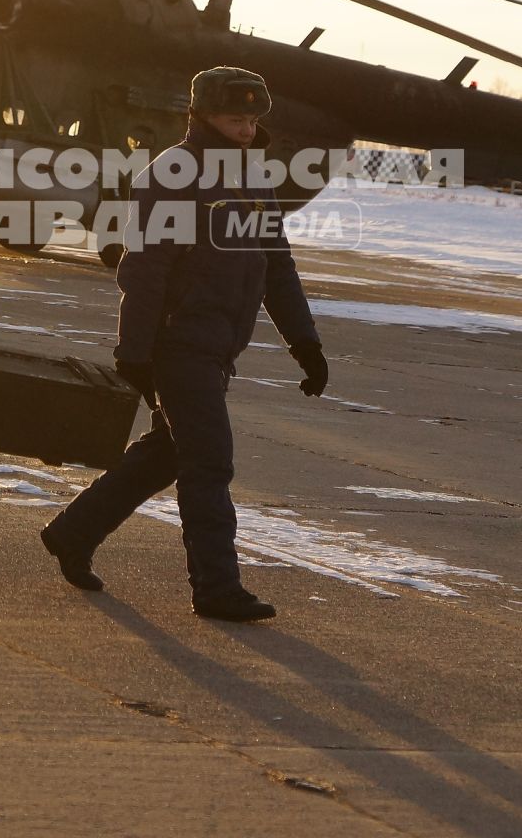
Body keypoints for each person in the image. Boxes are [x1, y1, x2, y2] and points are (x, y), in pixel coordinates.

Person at [40, 67, 328, 622]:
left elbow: (276, 265)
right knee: (209, 462)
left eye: (251, 121)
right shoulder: (174, 173)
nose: (245, 130)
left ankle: (72, 532)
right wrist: (136, 351)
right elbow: (144, 267)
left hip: (217, 345)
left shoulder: (253, 176)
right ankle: (216, 588)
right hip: (178, 343)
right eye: (233, 119)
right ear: (200, 117)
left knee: (168, 453)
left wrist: (305, 344)